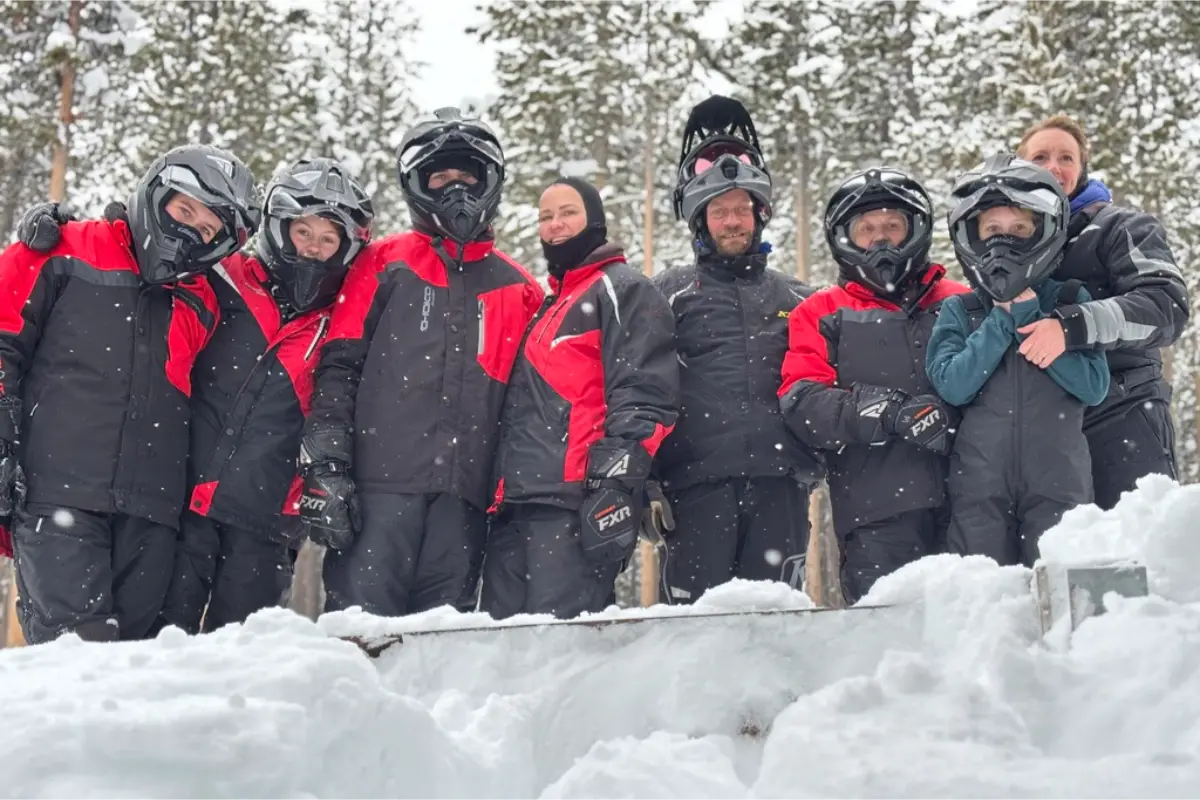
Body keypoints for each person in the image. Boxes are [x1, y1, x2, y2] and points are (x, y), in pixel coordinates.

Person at [11, 158, 375, 632]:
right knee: (153, 648)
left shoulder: (344, 319)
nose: (312, 249)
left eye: (329, 240)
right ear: (277, 227)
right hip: (175, 506)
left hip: (264, 519)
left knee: (241, 662)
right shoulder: (218, 278)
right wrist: (63, 227)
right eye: (302, 232)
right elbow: (145, 255)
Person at [0, 144, 259, 643]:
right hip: (59, 492)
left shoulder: (205, 299)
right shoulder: (64, 249)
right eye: (185, 211)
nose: (190, 232)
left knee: (136, 665)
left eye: (207, 230)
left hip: (151, 512)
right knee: (79, 653)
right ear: (155, 195)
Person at [298, 108, 543, 617]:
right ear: (417, 184)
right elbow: (338, 369)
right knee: (358, 636)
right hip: (378, 493)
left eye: (466, 177)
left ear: (489, 183)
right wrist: (327, 468)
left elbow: (531, 408)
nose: (454, 189)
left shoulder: (520, 288)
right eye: (440, 177)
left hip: (467, 501)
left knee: (443, 646)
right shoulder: (382, 263)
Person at [481, 177, 678, 619]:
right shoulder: (551, 304)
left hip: (571, 506)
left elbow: (645, 393)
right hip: (515, 505)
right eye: (546, 217)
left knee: (560, 655)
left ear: (595, 220)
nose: (556, 225)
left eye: (568, 212)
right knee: (499, 654)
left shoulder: (620, 287)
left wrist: (615, 486)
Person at [651, 95, 821, 604]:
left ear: (759, 215)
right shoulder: (665, 294)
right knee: (691, 639)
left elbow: (826, 386)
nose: (732, 222)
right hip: (694, 494)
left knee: (778, 632)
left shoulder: (801, 299)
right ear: (700, 221)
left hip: (781, 491)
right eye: (719, 211)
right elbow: (635, 389)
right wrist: (642, 483)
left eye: (741, 210)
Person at [778, 168, 969, 604]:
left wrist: (952, 417)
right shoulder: (821, 312)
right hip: (877, 511)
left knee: (980, 638)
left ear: (913, 231)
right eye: (867, 229)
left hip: (973, 500)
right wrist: (885, 411)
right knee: (887, 645)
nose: (881, 239)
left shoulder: (960, 299)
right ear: (846, 237)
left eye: (892, 227)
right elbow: (802, 400)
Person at [926, 154, 1110, 567]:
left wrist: (1031, 318)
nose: (1004, 239)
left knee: (1062, 598)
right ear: (975, 235)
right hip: (979, 486)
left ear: (1040, 232)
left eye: (1019, 228)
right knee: (982, 598)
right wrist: (998, 321)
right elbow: (952, 385)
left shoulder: (1068, 300)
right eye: (993, 229)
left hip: (1059, 485)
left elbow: (1092, 386)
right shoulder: (962, 310)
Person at [1015, 115, 1188, 510]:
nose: (1053, 167)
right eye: (1039, 157)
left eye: (1066, 158)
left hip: (1123, 416)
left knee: (1137, 555)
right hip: (1043, 433)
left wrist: (1073, 325)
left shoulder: (1119, 227)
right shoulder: (1007, 239)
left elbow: (1165, 305)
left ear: (1082, 168)